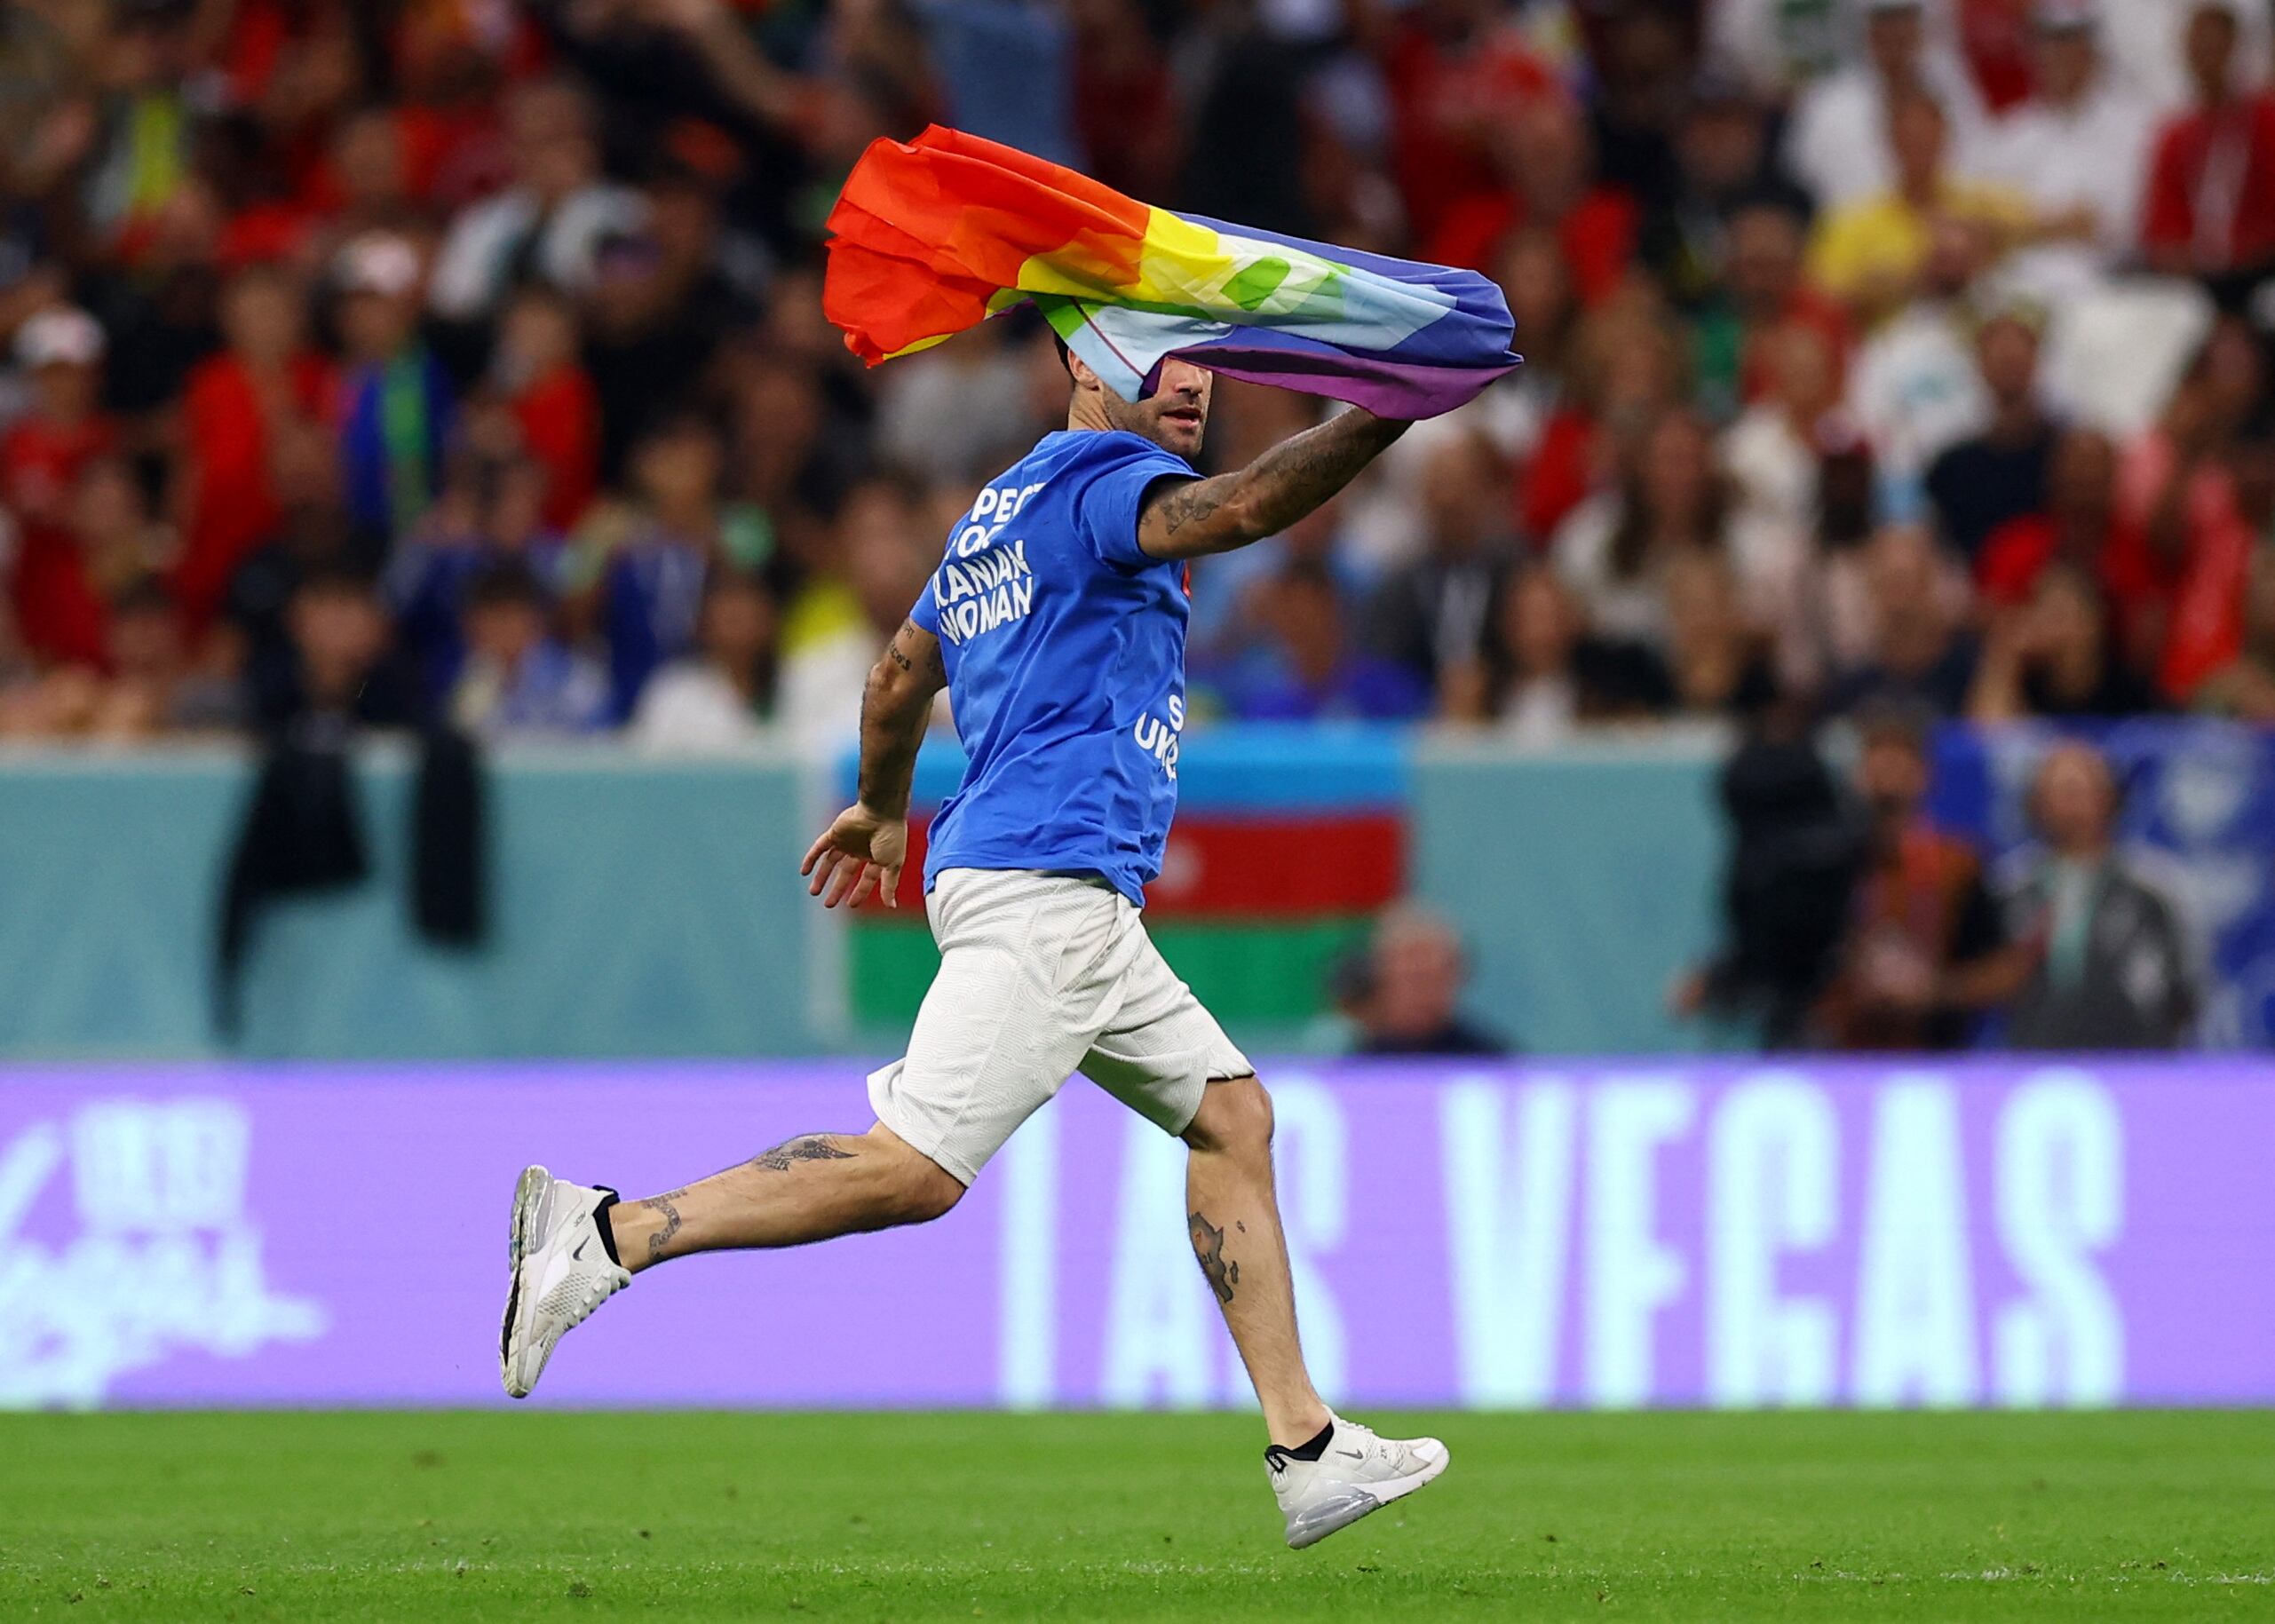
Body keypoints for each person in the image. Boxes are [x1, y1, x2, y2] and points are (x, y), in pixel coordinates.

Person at [498, 349, 1450, 1549]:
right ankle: (604, 1234)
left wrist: (885, 800)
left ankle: (1305, 1445)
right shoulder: (1111, 478)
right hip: (1048, 885)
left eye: (1204, 363)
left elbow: (899, 674)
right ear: (1082, 365)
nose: (1192, 384)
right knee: (913, 1171)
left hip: (1062, 890)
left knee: (1230, 1117)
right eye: (1157, 357)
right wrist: (1384, 413)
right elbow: (1248, 507)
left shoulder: (996, 512)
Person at [1999, 741, 2196, 1049]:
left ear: (2110, 799)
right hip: (2032, 1065)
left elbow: (2188, 988)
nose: (2070, 803)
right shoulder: (2008, 889)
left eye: (2079, 789)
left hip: (2136, 1062)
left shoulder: (2155, 887)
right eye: (2058, 791)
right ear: (2035, 803)